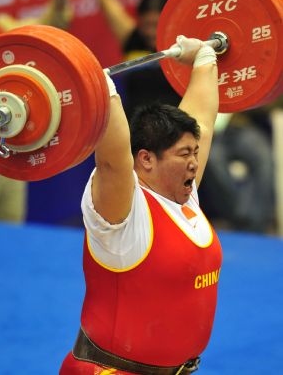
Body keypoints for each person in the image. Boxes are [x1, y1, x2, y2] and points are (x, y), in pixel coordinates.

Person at [59, 35, 222, 374]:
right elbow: (113, 160)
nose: (195, 162)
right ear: (146, 159)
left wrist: (205, 56)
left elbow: (202, 122)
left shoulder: (183, 191)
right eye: (184, 155)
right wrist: (102, 90)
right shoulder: (122, 212)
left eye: (195, 152)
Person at [0, 0, 74, 223]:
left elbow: (43, 31)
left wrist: (57, 1)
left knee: (11, 224)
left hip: (9, 148)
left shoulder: (2, 31)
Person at [90, 0, 180, 120]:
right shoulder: (132, 39)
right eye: (146, 25)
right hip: (138, 135)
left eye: (156, 25)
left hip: (177, 133)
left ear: (169, 22)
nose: (150, 32)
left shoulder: (183, 45)